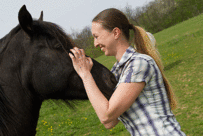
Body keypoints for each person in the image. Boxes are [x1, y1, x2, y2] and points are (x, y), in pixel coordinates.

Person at [69, 8, 186, 136]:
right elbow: (109, 123)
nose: (95, 44)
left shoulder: (139, 64)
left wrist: (85, 75)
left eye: (96, 37)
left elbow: (106, 116)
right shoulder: (118, 71)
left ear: (115, 33)